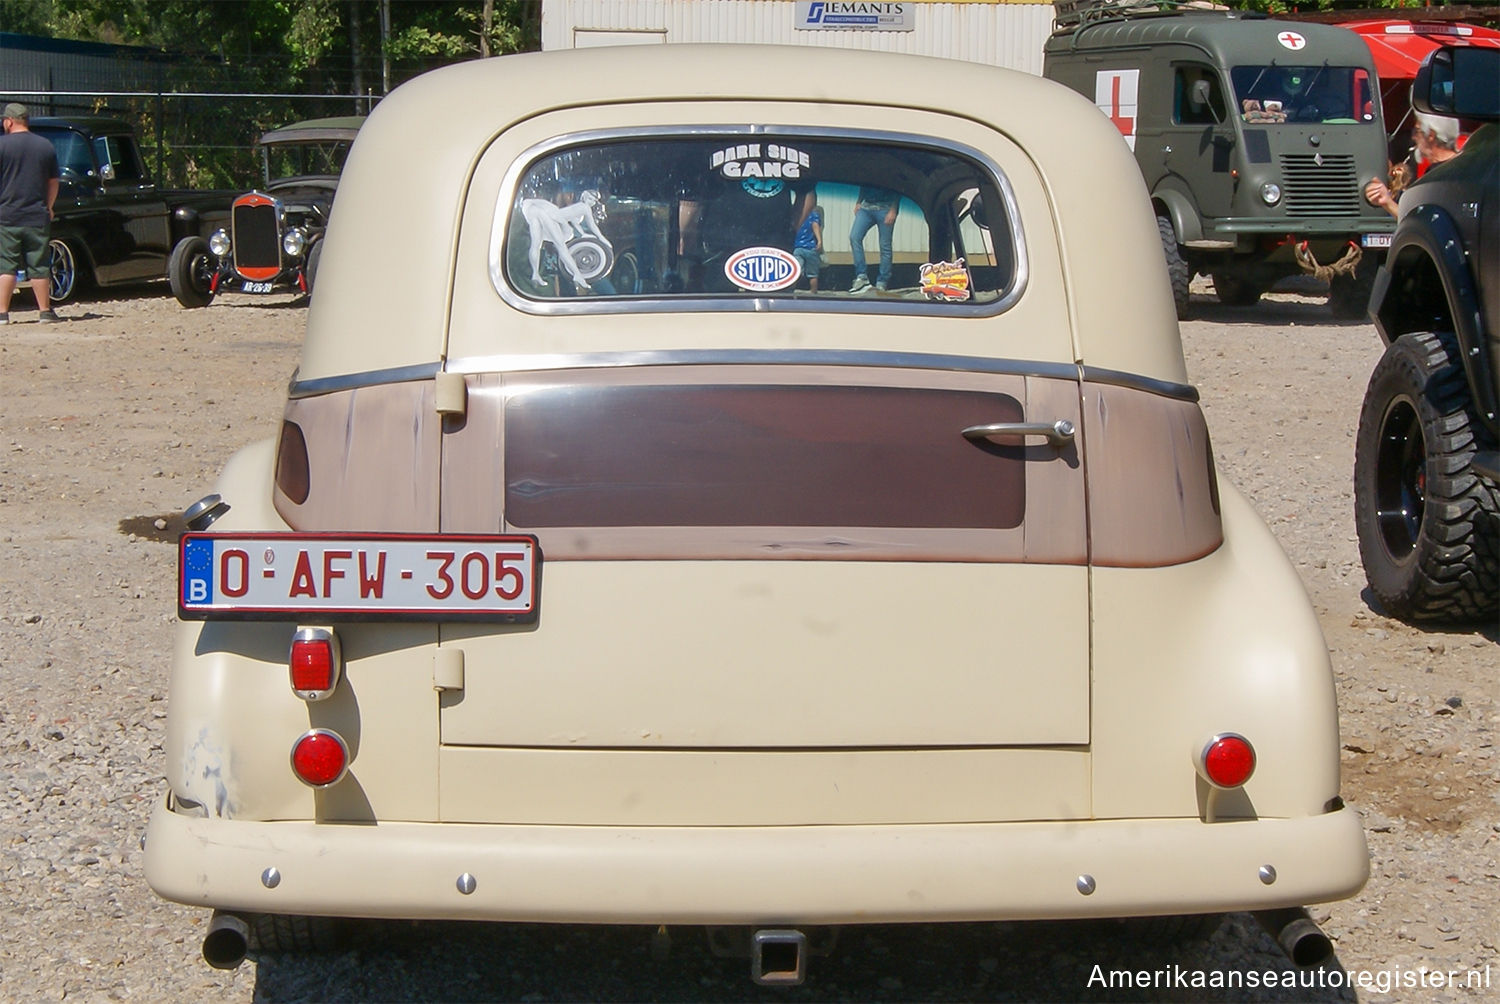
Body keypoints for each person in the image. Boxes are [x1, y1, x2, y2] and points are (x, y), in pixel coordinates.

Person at [0, 102, 60, 324]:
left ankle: (2, 313)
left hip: (7, 215)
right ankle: (45, 311)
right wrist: (49, 206)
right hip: (37, 215)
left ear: (9, 121)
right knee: (39, 265)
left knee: (6, 265)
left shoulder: (2, 145)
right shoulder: (45, 146)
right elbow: (53, 182)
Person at [1364, 111, 1461, 219]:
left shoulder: (1446, 175)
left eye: (1417, 131)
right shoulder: (1454, 166)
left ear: (1431, 135)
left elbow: (1422, 222)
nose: (1414, 137)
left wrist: (1386, 202)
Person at [849, 186, 899, 293]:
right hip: (866, 207)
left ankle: (882, 282)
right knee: (854, 237)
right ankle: (861, 276)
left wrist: (893, 210)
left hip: (885, 207)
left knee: (885, 245)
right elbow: (863, 183)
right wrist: (859, 202)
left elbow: (898, 189)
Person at [793, 201, 823, 292]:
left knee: (795, 271)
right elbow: (815, 226)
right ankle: (813, 292)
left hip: (797, 247)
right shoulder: (814, 215)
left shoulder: (796, 215)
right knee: (813, 274)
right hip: (810, 247)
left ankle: (791, 291)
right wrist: (819, 241)